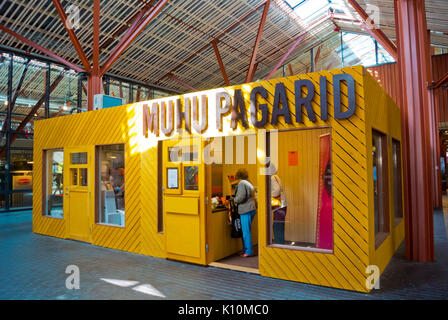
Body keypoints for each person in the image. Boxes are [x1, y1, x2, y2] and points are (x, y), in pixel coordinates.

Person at [233, 168, 256, 257]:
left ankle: (248, 251)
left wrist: (235, 200)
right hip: (252, 208)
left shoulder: (242, 183)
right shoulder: (249, 182)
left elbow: (241, 196)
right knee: (246, 230)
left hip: (245, 209)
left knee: (246, 231)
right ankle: (245, 249)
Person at [271, 165, 287, 244]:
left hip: (279, 205)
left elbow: (276, 191)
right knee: (280, 225)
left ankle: (279, 244)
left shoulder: (271, 178)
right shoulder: (276, 177)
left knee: (277, 225)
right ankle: (281, 243)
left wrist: (268, 195)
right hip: (283, 204)